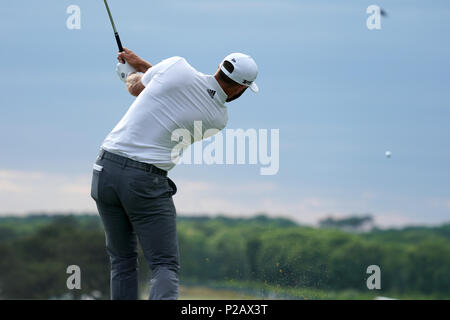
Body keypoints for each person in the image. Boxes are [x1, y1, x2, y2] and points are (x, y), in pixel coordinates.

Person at [90, 48, 259, 300]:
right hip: (144, 182)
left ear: (219, 67)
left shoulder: (176, 66)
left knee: (122, 260)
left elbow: (139, 87)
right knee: (163, 265)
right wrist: (143, 66)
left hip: (104, 170)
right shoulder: (218, 118)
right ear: (240, 88)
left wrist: (128, 72)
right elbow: (179, 90)